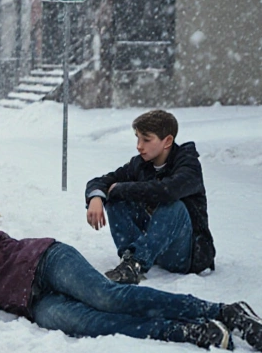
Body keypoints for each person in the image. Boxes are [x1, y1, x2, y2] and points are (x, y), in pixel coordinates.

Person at [0, 174, 262, 352]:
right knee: (92, 324)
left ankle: (224, 311)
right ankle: (189, 332)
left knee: (109, 298)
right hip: (28, 301)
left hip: (43, 262)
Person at [85, 109, 215, 285]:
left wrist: (120, 188)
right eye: (137, 138)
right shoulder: (140, 163)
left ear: (167, 141)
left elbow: (168, 190)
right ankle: (129, 259)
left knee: (173, 206)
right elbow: (104, 181)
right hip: (155, 248)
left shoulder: (188, 165)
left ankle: (136, 263)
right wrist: (96, 198)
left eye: (146, 140)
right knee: (115, 197)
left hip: (186, 255)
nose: (139, 146)